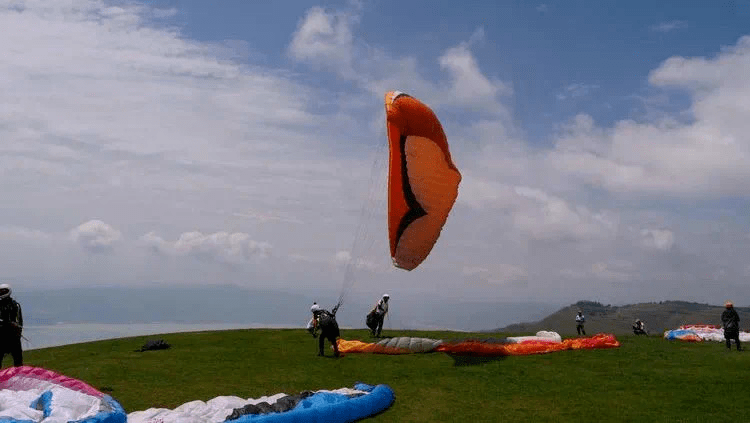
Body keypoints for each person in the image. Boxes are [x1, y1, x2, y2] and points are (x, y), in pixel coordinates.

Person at [0, 284, 23, 367]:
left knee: (18, 360)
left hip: (13, 336)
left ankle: (19, 375)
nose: (1, 292)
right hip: (1, 336)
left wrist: (18, 333)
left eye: (3, 291)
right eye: (0, 291)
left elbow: (19, 321)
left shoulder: (15, 305)